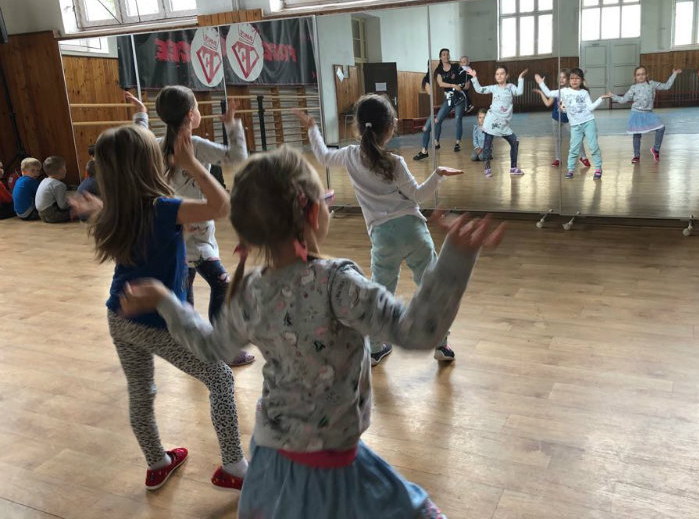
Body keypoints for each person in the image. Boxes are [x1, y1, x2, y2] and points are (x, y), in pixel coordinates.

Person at [119, 144, 505, 519]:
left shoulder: (252, 290)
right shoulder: (337, 283)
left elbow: (210, 346)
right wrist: (454, 259)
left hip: (271, 462)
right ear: (314, 212)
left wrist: (166, 301)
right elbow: (417, 332)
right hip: (331, 470)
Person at [69, 125, 248, 492]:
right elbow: (222, 207)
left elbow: (136, 223)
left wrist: (97, 208)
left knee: (140, 391)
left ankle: (156, 464)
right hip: (159, 321)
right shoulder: (163, 208)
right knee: (220, 378)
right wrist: (193, 165)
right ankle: (234, 466)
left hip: (119, 316)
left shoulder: (116, 210)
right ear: (149, 164)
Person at [296, 95, 463, 365]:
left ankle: (375, 349)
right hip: (413, 231)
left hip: (383, 237)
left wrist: (313, 128)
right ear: (390, 127)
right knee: (430, 286)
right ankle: (441, 344)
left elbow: (323, 156)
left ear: (359, 127)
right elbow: (418, 196)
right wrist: (438, 174)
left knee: (380, 293)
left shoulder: (350, 156)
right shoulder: (395, 162)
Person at [127, 89, 254, 367]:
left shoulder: (156, 145)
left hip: (175, 233)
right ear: (191, 115)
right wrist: (232, 125)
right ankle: (221, 347)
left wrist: (141, 115)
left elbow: (140, 139)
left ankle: (190, 343)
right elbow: (238, 156)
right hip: (195, 236)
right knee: (221, 285)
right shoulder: (194, 145)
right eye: (196, 107)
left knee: (186, 289)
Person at [535, 69, 610, 180]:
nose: (574, 81)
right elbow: (549, 93)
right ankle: (570, 170)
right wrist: (541, 83)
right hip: (575, 126)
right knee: (573, 148)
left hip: (588, 122)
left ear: (582, 80)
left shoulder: (584, 93)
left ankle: (598, 169)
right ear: (569, 80)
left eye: (577, 78)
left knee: (593, 146)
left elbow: (590, 108)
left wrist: (600, 99)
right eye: (572, 78)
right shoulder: (564, 91)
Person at [608, 66, 681, 163]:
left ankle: (656, 149)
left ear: (647, 75)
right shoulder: (633, 88)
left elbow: (666, 86)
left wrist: (674, 74)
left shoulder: (652, 84)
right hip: (636, 113)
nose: (641, 76)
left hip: (649, 113)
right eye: (638, 75)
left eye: (643, 74)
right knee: (637, 135)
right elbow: (623, 100)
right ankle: (636, 156)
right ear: (635, 77)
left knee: (661, 128)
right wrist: (612, 96)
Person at [465, 65, 528, 178]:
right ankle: (487, 168)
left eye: (502, 73)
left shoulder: (510, 87)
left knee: (514, 142)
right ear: (495, 76)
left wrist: (520, 78)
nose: (499, 76)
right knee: (487, 145)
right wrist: (474, 78)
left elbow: (519, 92)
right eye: (497, 74)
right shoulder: (493, 88)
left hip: (503, 124)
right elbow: (479, 89)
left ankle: (513, 168)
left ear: (507, 75)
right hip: (491, 120)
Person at [414, 48, 466, 159]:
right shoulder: (438, 71)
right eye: (444, 54)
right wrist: (452, 85)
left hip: (459, 98)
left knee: (458, 119)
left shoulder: (455, 66)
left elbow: (464, 76)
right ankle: (436, 141)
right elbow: (440, 84)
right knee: (438, 120)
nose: (446, 56)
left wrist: (465, 83)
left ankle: (457, 143)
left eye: (447, 54)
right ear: (440, 57)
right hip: (449, 98)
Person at [534, 70, 589, 168]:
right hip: (556, 118)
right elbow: (547, 103)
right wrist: (541, 92)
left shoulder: (572, 91)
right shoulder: (556, 92)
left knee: (577, 137)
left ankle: (583, 157)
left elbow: (583, 91)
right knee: (557, 140)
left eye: (563, 77)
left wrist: (582, 81)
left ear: (568, 79)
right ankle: (558, 159)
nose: (561, 79)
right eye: (559, 77)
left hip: (569, 120)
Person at [35, 156, 72, 223]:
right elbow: (63, 206)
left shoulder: (44, 181)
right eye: (65, 167)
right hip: (52, 216)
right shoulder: (59, 185)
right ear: (61, 170)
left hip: (41, 215)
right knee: (77, 209)